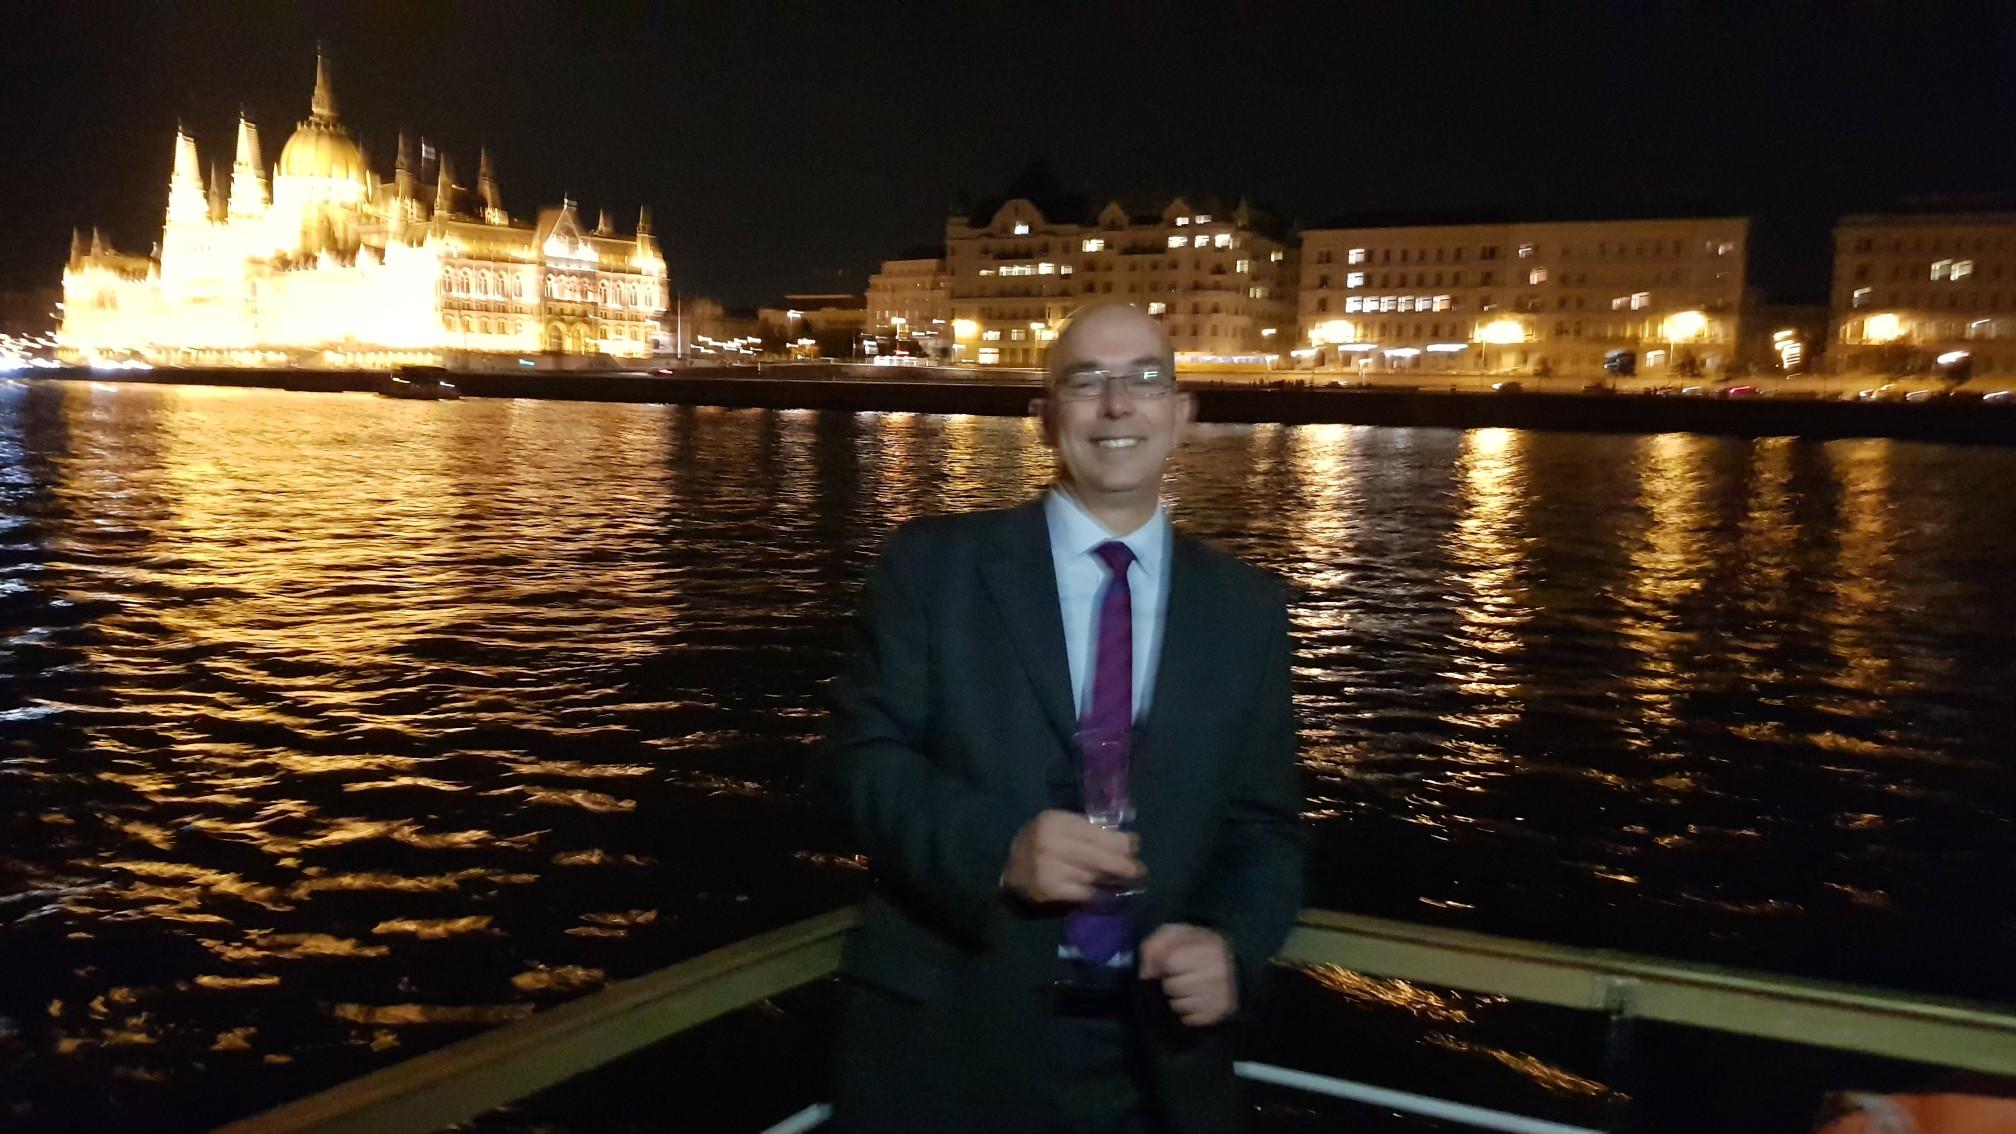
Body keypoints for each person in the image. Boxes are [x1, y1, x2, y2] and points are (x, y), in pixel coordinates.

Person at [814, 302, 1306, 1133]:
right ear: (1044, 418)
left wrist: (1231, 945)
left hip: (1157, 1061)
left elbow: (1266, 826)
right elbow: (854, 765)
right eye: (1086, 382)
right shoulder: (931, 568)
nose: (1117, 405)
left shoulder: (1247, 608)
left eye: (1144, 379)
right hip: (947, 1048)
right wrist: (998, 851)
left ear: (1181, 414)